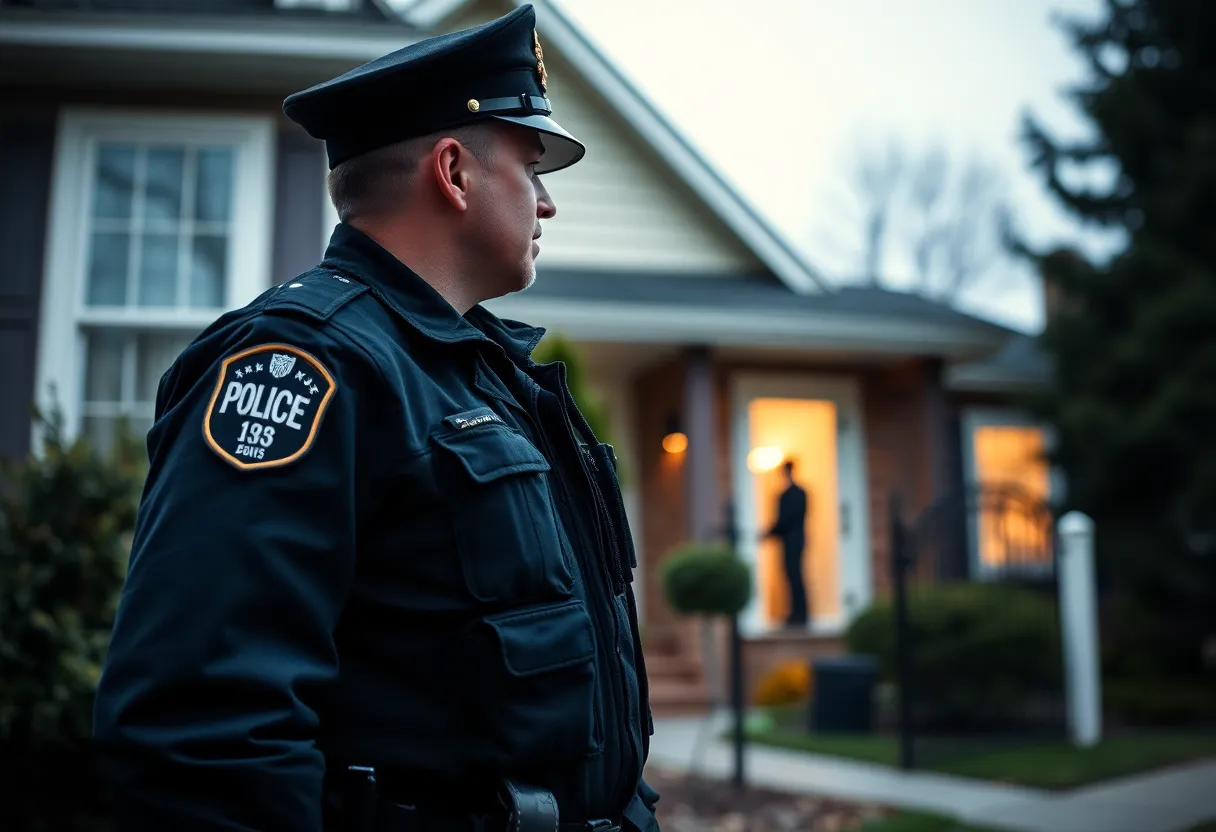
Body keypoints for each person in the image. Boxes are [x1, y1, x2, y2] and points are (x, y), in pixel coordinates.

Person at [92, 6, 659, 831]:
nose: (546, 205)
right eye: (532, 169)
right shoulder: (305, 364)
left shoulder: (493, 379)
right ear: (455, 171)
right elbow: (203, 733)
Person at [761, 460, 810, 627]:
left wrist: (769, 533)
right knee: (792, 577)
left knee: (795, 576)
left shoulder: (792, 495)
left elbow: (786, 520)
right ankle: (797, 614)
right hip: (793, 541)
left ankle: (800, 615)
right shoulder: (797, 493)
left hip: (793, 542)